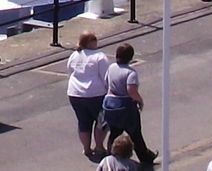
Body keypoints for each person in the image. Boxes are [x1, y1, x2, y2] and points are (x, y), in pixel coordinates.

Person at [101, 43, 155, 164]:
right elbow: (131, 91)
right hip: (125, 107)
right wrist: (140, 101)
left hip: (111, 104)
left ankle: (111, 156)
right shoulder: (131, 73)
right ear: (130, 57)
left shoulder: (111, 68)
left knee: (114, 133)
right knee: (135, 134)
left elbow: (106, 84)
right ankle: (145, 158)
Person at [66, 31, 111, 161]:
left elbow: (70, 72)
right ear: (90, 42)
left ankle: (86, 148)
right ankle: (99, 147)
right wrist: (109, 91)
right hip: (95, 94)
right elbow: (105, 77)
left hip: (75, 94)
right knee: (101, 122)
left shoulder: (74, 55)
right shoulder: (99, 56)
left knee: (83, 122)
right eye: (94, 39)